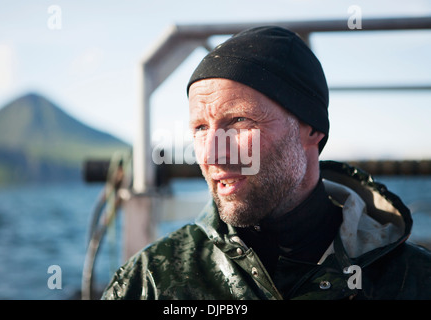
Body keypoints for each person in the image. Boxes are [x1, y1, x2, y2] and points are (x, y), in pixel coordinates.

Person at [102, 26, 431, 300]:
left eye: (240, 121)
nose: (211, 153)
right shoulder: (149, 283)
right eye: (201, 128)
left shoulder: (412, 281)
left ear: (311, 129)